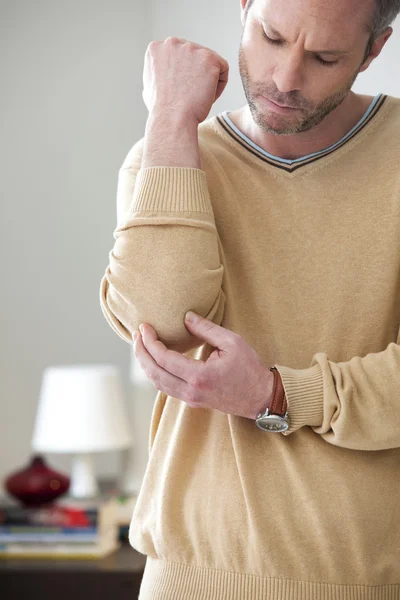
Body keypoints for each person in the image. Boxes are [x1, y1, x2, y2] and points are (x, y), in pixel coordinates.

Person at [99, 0, 400, 597]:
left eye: (324, 57)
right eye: (271, 35)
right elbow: (162, 325)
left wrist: (275, 393)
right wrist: (170, 119)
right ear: (243, 9)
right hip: (183, 580)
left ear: (373, 51)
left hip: (357, 580)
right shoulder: (169, 154)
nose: (286, 79)